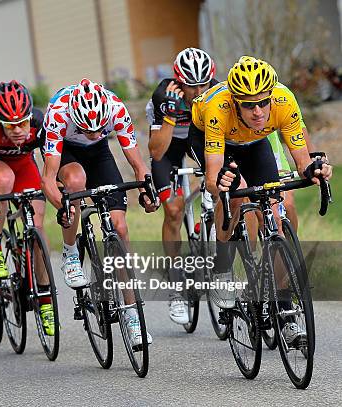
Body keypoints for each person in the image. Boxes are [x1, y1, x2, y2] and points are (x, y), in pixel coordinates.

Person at [191, 56, 332, 346]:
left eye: (263, 103)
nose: (258, 111)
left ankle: (284, 310)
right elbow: (212, 177)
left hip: (255, 143)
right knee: (234, 194)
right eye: (248, 105)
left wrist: (314, 169)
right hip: (212, 138)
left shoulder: (283, 100)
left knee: (276, 219)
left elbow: (302, 159)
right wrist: (222, 185)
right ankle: (222, 268)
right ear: (235, 102)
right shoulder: (219, 107)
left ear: (271, 96)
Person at [40, 78, 158, 346]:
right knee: (75, 182)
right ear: (75, 118)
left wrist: (147, 191)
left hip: (99, 155)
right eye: (86, 129)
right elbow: (47, 179)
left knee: (120, 229)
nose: (92, 133)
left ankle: (132, 317)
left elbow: (138, 163)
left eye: (98, 129)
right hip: (66, 152)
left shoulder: (115, 107)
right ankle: (70, 253)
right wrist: (64, 207)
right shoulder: (58, 113)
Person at [0, 80, 55, 336]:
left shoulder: (40, 123)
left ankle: (46, 301)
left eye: (22, 123)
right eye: (10, 125)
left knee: (37, 229)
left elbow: (53, 164)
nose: (17, 130)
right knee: (4, 180)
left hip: (25, 165)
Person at [146, 47, 217, 325]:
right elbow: (156, 152)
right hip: (170, 145)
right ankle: (176, 286)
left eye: (204, 83)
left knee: (221, 186)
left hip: (199, 138)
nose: (198, 91)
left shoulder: (216, 92)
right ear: (179, 81)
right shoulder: (165, 95)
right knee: (174, 211)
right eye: (191, 85)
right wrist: (171, 115)